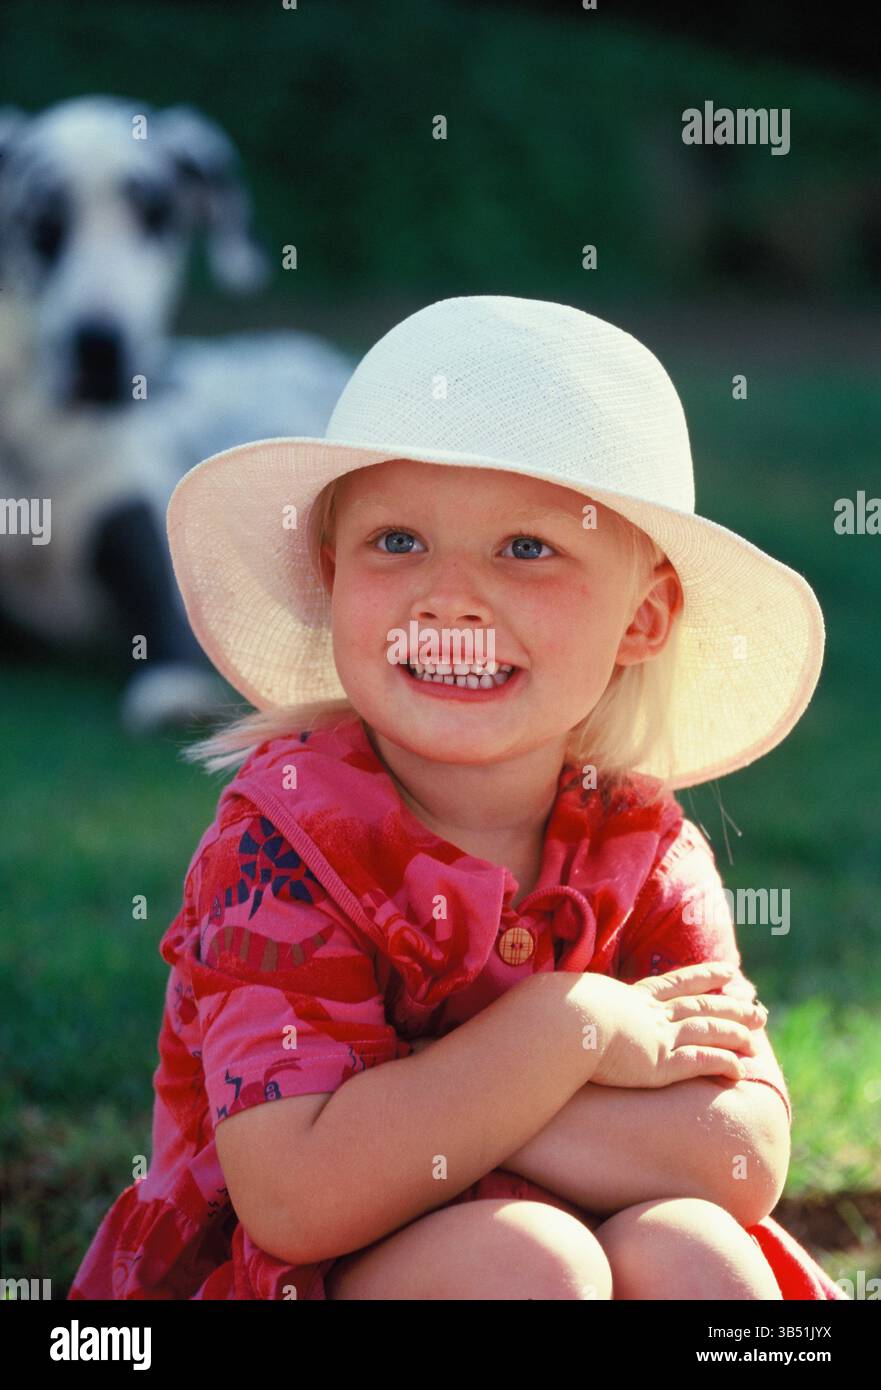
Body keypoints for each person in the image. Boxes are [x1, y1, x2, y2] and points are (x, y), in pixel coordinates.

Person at [67, 295, 846, 1300]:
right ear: (330, 570)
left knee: (697, 1252)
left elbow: (737, 1157)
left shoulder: (646, 846)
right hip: (318, 1273)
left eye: (525, 547)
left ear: (642, 617)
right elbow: (299, 1195)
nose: (446, 597)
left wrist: (420, 1099)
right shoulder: (284, 841)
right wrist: (571, 1030)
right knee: (530, 1264)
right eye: (396, 541)